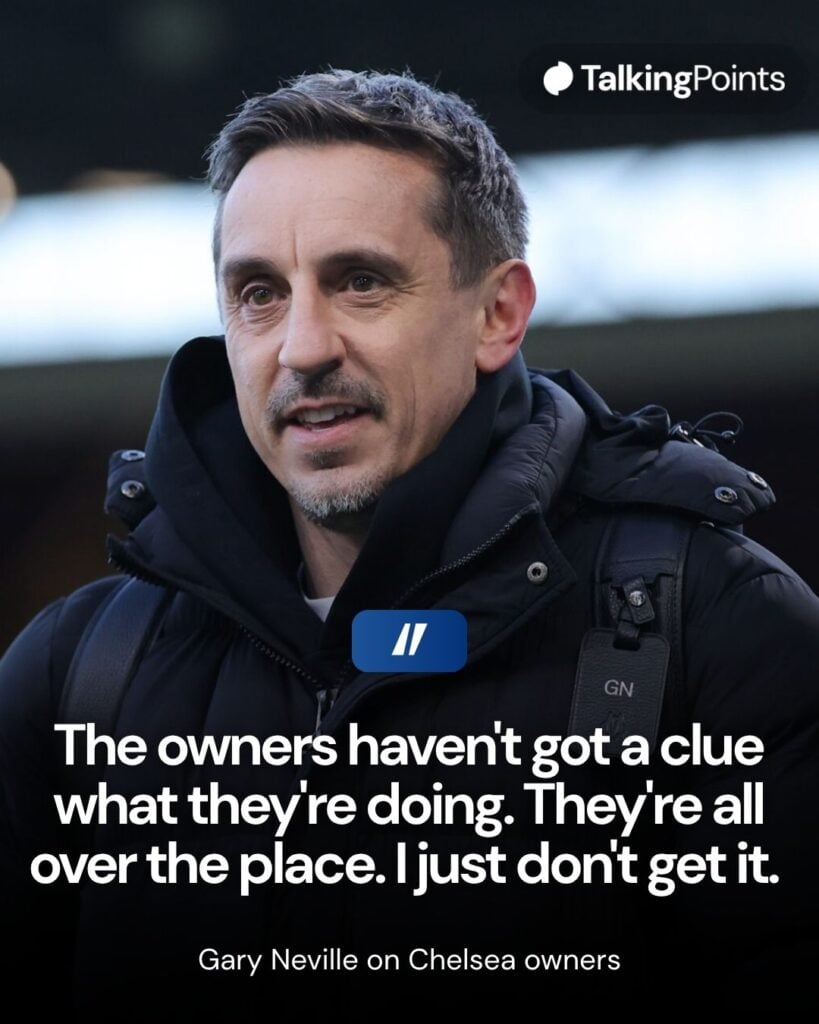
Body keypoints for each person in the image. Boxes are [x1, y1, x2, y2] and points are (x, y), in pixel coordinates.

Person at [2, 68, 818, 1018]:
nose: (301, 347)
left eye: (359, 282)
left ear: (498, 313)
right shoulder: (77, 675)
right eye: (259, 293)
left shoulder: (717, 630)